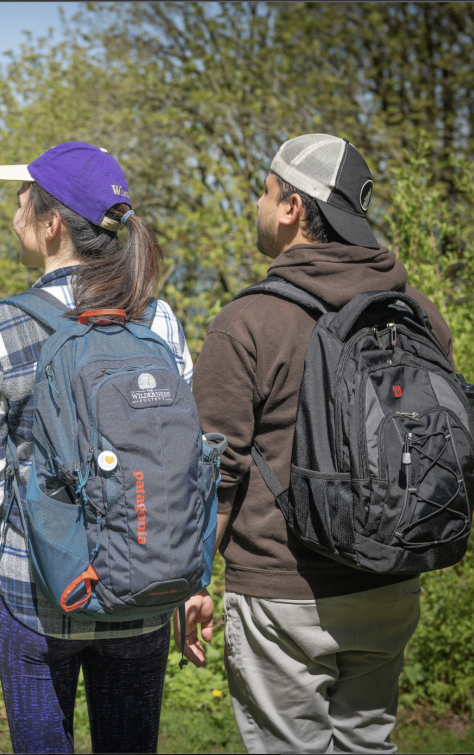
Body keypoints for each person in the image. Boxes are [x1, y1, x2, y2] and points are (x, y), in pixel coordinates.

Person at [184, 134, 455, 753]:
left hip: (283, 594)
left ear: (292, 209)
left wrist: (193, 579)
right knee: (368, 744)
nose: (258, 201)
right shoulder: (417, 313)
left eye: (266, 189)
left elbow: (214, 470)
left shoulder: (248, 322)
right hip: (391, 581)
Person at [0, 141, 194, 754]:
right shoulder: (157, 321)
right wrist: (191, 585)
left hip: (35, 595)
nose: (13, 213)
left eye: (20, 200)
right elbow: (182, 469)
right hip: (143, 590)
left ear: (52, 223)